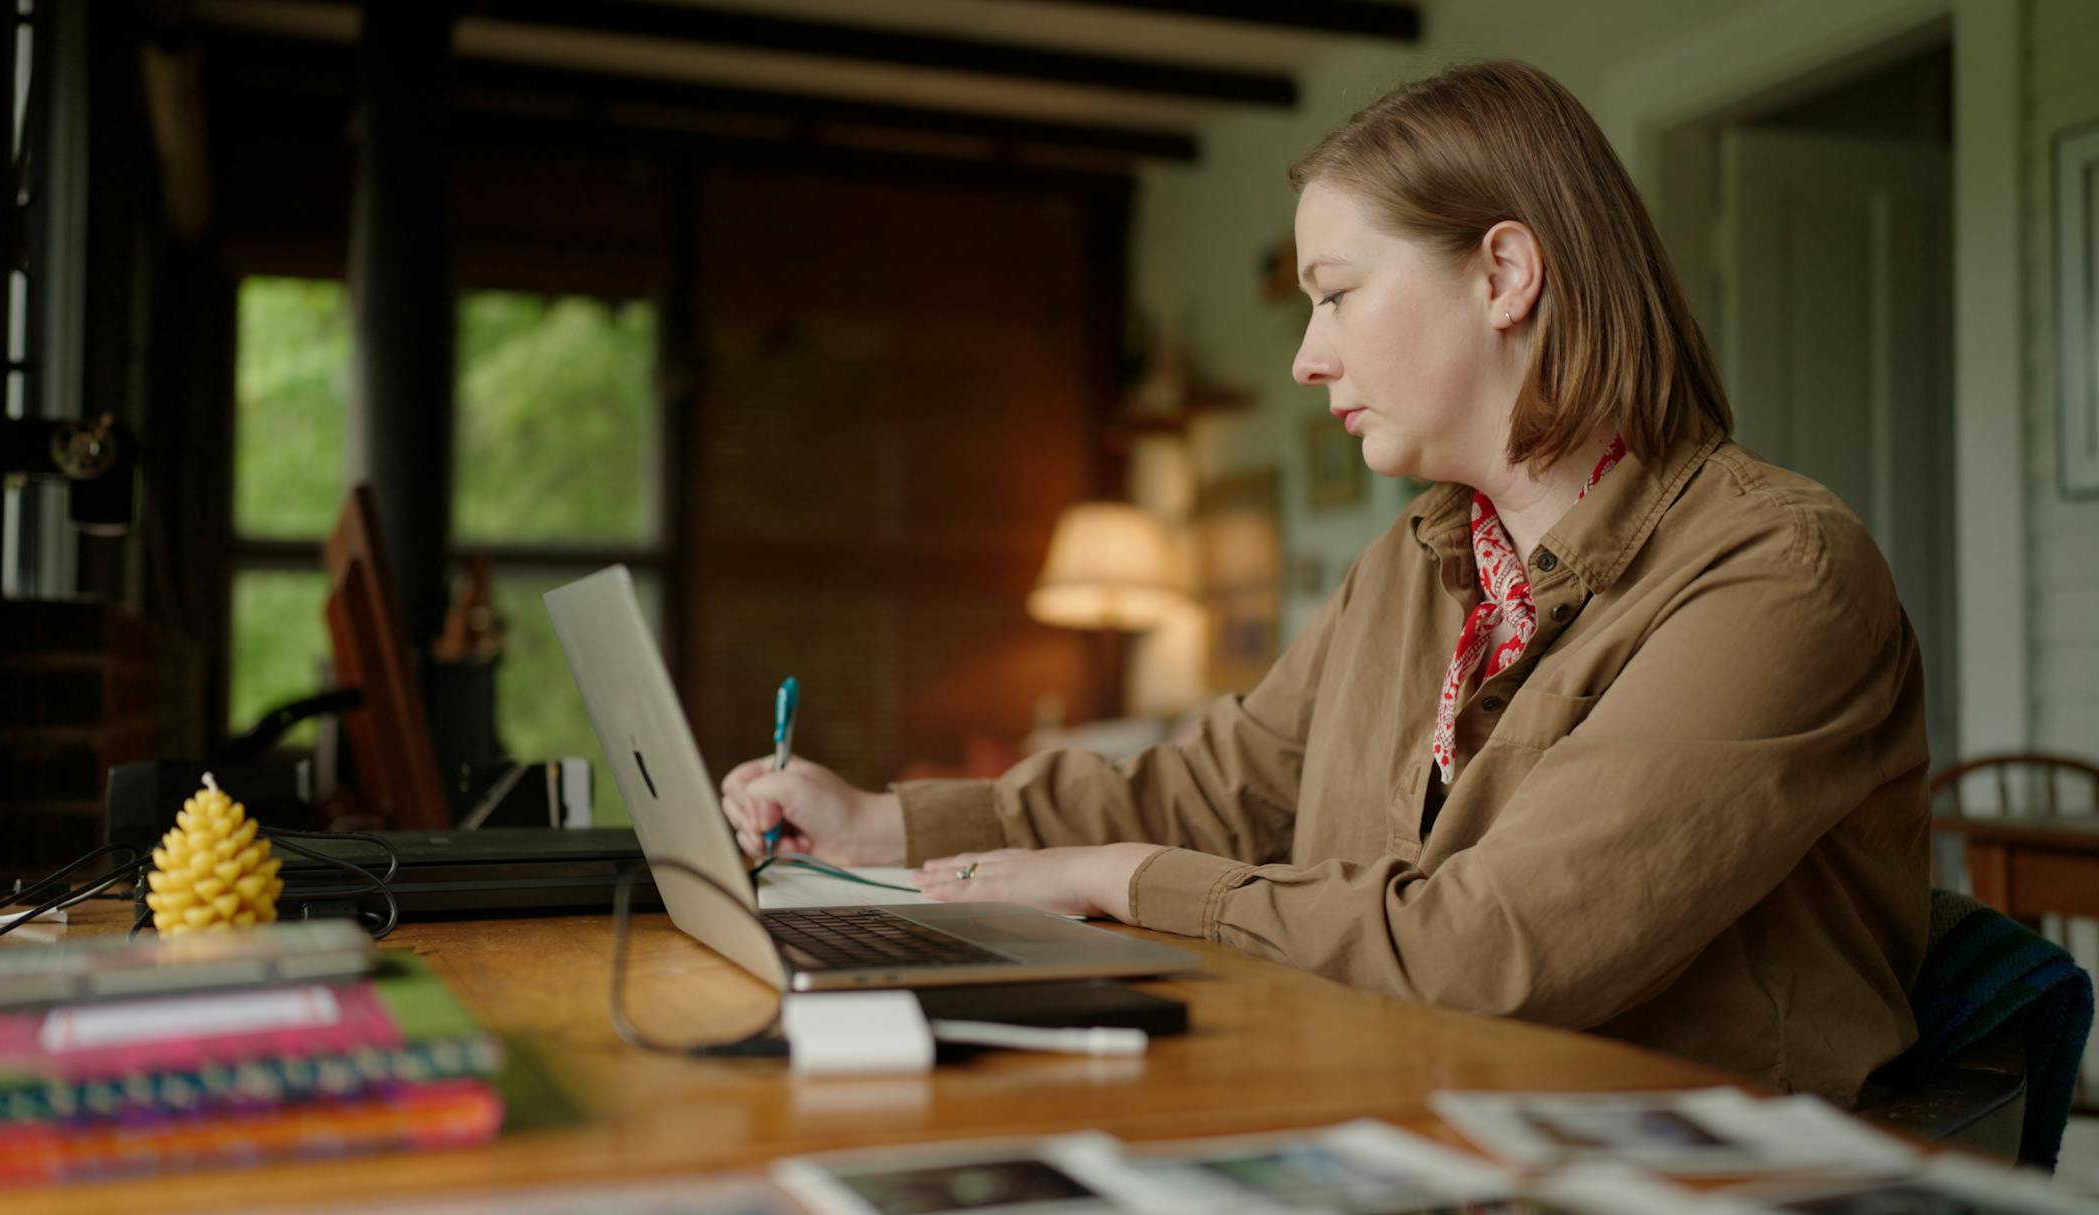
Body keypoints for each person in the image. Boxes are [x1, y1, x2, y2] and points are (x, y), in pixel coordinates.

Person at [720, 59, 1929, 1106]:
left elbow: (1491, 951)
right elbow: (1217, 787)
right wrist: (883, 824)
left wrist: (1111, 878)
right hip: (1400, 1106)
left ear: (1504, 275)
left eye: (1338, 294)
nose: (1308, 358)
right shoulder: (1414, 563)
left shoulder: (1778, 576)